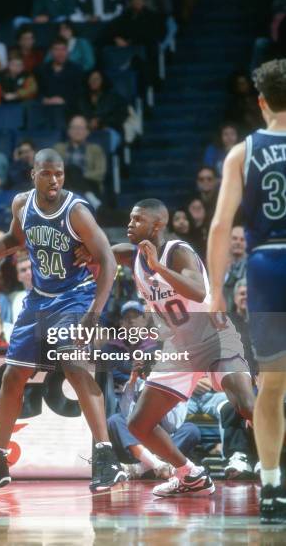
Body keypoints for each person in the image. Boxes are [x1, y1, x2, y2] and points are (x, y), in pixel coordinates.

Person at [0, 148, 127, 498]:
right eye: (46, 173)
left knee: (74, 364)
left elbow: (109, 262)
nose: (54, 180)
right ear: (33, 174)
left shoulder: (77, 211)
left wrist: (94, 313)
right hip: (39, 298)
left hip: (76, 296)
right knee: (12, 376)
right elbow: (13, 242)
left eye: (59, 173)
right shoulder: (21, 206)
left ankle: (105, 457)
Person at [76, 198, 255, 497]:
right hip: (179, 349)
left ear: (157, 225)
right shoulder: (132, 255)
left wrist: (158, 267)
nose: (129, 225)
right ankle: (190, 474)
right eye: (130, 219)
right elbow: (105, 251)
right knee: (139, 424)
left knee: (247, 407)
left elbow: (198, 290)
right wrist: (87, 253)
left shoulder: (178, 252)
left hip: (213, 338)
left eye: (137, 220)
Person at [207, 59, 286, 523]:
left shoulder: (243, 152)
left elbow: (220, 226)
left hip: (265, 265)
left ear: (261, 103)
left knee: (272, 385)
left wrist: (216, 290)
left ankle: (272, 487)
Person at [54, 115, 107, 206]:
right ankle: (91, 199)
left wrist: (79, 176)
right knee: (71, 169)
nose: (77, 131)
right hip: (65, 185)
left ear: (87, 132)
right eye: (74, 128)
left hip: (90, 184)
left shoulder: (95, 149)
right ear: (69, 131)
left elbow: (100, 173)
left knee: (73, 170)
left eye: (80, 128)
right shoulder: (59, 148)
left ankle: (88, 196)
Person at [37, 38, 83, 113]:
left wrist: (64, 100)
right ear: (51, 52)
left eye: (63, 49)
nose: (60, 53)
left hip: (69, 108)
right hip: (46, 107)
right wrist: (44, 100)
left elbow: (79, 92)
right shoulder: (41, 70)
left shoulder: (76, 70)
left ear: (67, 51)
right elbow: (37, 91)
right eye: (56, 49)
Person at [223, 226, 247, 313]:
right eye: (234, 238)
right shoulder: (218, 265)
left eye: (242, 239)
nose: (238, 242)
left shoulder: (252, 267)